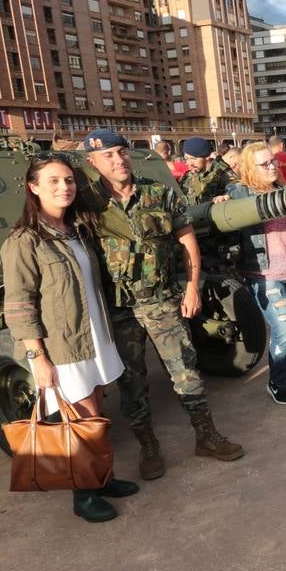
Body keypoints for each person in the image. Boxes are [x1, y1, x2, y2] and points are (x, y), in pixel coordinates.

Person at [79, 128, 244, 480]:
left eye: (121, 152)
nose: (118, 159)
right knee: (132, 382)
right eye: (107, 155)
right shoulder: (86, 204)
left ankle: (206, 436)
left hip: (161, 300)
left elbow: (185, 240)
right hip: (119, 309)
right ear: (92, 162)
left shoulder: (158, 193)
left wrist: (193, 287)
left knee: (185, 371)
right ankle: (148, 446)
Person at [1, 154, 137, 521]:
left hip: (94, 337)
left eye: (69, 181)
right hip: (62, 347)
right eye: (54, 182)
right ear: (33, 188)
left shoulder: (75, 230)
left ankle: (102, 478)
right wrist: (37, 357)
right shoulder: (24, 240)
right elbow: (18, 303)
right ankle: (84, 495)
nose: (65, 188)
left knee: (95, 416)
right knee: (78, 422)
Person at [227, 143, 286, 406]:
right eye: (264, 163)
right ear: (249, 167)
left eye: (273, 162)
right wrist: (222, 199)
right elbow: (223, 213)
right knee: (285, 329)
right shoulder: (239, 193)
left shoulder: (284, 190)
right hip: (265, 274)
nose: (272, 167)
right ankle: (277, 382)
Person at [180, 136, 230, 206]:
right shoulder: (189, 175)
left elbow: (238, 191)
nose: (189, 163)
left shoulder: (223, 173)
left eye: (193, 159)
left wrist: (226, 197)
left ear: (207, 156)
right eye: (186, 158)